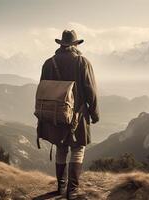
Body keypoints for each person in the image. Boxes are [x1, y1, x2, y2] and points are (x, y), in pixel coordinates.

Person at [37, 30, 99, 199]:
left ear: (61, 45)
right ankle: (72, 190)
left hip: (55, 114)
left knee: (61, 148)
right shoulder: (82, 63)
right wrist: (94, 113)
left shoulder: (48, 63)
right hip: (77, 114)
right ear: (75, 45)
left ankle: (60, 187)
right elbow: (91, 91)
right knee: (78, 148)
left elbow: (44, 89)